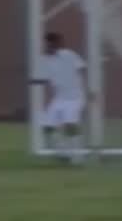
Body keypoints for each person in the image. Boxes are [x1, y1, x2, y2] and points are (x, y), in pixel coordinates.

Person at [32, 29, 89, 159]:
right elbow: (42, 78)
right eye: (48, 44)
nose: (50, 46)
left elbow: (82, 68)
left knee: (70, 124)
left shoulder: (69, 55)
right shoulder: (44, 59)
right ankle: (63, 152)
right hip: (59, 98)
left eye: (53, 43)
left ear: (58, 44)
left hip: (75, 97)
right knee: (47, 127)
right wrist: (32, 80)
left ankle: (77, 155)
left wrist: (86, 87)